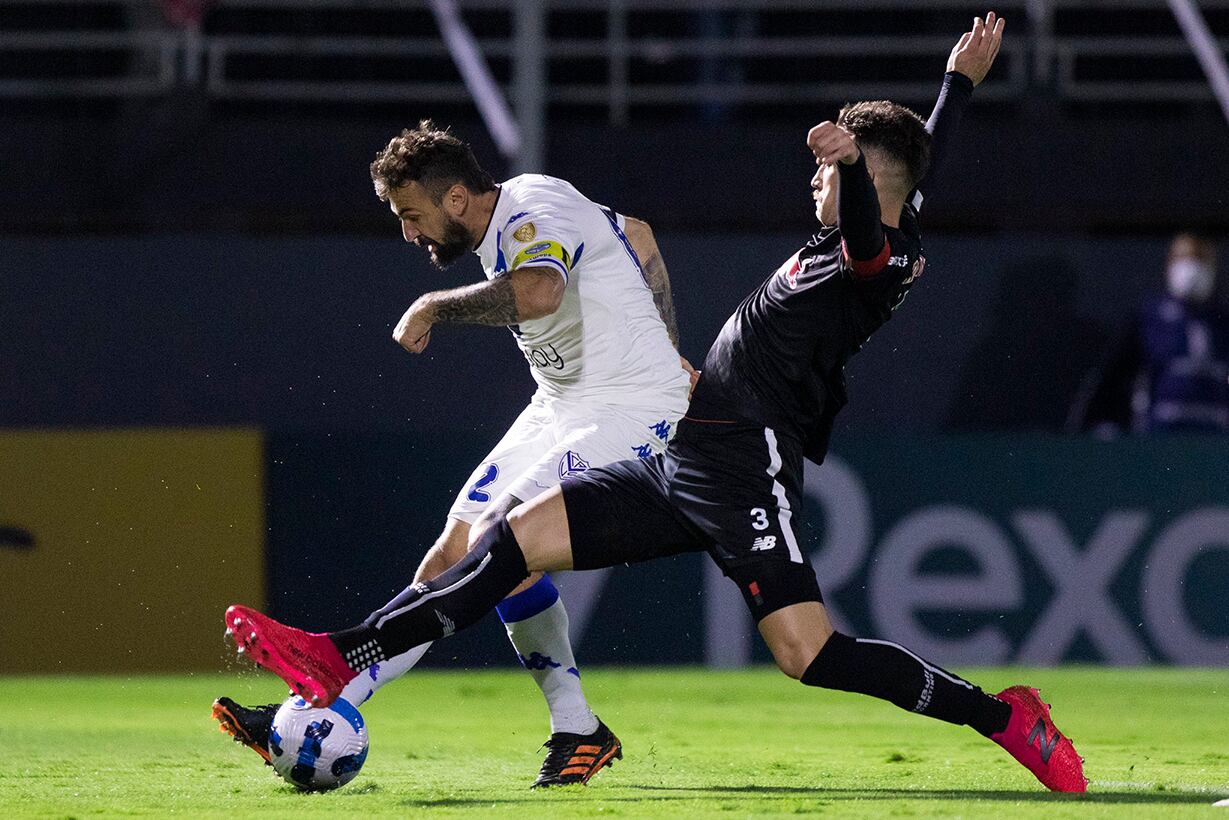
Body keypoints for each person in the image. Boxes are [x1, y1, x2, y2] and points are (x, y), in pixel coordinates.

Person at [223, 13, 1086, 793]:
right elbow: (915, 161)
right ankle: (344, 656)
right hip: (689, 445)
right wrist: (955, 88)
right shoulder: (881, 213)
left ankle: (1004, 717)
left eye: (827, 178)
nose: (812, 188)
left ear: (869, 182)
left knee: (807, 653)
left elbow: (869, 224)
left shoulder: (878, 259)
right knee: (507, 545)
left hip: (748, 457)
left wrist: (850, 167)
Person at [213, 122, 695, 788]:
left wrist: (435, 306)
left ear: (458, 200)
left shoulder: (533, 211)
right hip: (563, 403)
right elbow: (635, 231)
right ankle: (342, 700)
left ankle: (345, 670)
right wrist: (669, 340)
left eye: (412, 215)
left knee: (506, 541)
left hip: (631, 406)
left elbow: (541, 293)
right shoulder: (524, 211)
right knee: (452, 553)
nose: (409, 233)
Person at [1076, 232, 1228, 433]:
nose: (1192, 268)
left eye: (1201, 259)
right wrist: (1104, 423)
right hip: (1160, 438)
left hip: (1213, 439)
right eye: (1184, 258)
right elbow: (1117, 376)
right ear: (1169, 265)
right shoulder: (1149, 319)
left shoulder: (1222, 322)